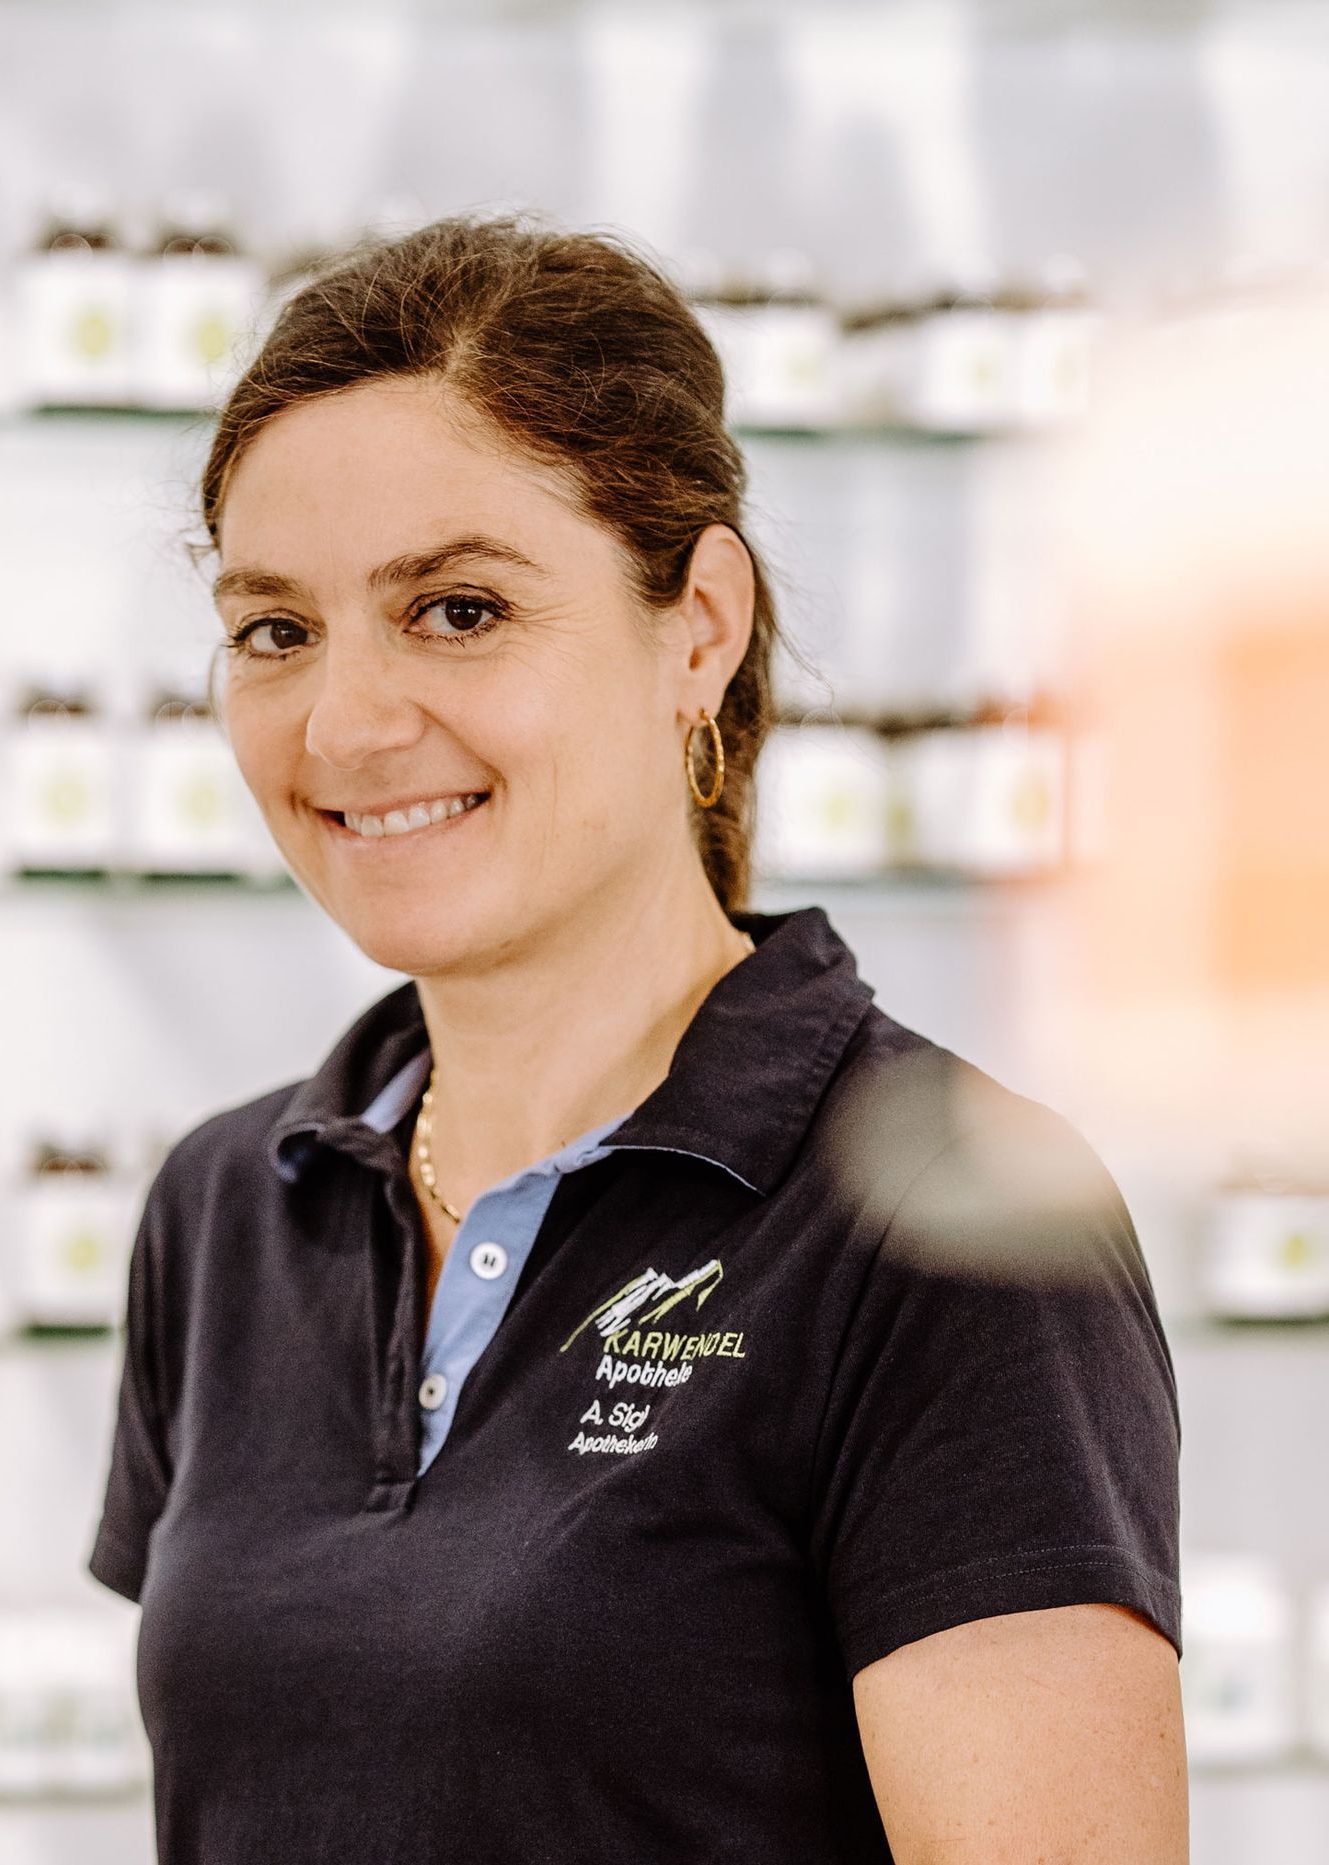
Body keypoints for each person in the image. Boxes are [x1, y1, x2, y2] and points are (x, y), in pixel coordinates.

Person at [88, 212, 1185, 1863]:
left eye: (456, 610)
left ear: (700, 624)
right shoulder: (236, 1201)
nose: (346, 723)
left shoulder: (949, 1219)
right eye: (275, 629)